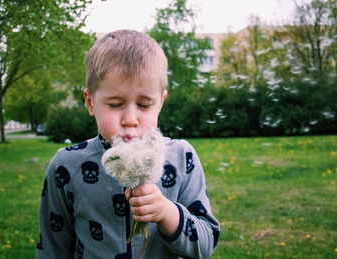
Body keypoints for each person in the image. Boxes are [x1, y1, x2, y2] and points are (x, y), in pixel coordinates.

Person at [36, 29, 220, 259]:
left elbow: (205, 244)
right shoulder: (66, 165)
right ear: (90, 102)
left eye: (144, 105)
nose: (130, 119)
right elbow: (53, 246)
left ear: (160, 103)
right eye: (115, 104)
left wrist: (167, 213)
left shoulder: (182, 158)